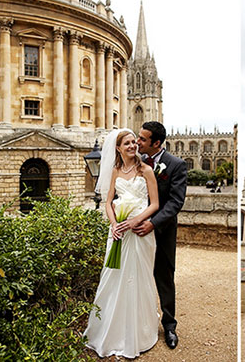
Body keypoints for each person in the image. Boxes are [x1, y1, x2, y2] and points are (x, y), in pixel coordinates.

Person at [84, 129, 160, 359]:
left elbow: (155, 204)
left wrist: (135, 220)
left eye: (133, 142)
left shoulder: (146, 170)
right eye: (126, 143)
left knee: (138, 278)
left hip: (138, 231)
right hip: (117, 232)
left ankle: (138, 333)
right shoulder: (115, 171)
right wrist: (114, 223)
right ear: (117, 148)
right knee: (112, 277)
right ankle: (111, 330)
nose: (132, 146)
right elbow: (108, 203)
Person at [134, 121, 187, 350]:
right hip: (135, 230)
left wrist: (152, 224)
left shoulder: (176, 165)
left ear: (156, 143)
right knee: (135, 275)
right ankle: (139, 322)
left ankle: (169, 326)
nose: (137, 142)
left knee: (164, 277)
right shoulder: (134, 161)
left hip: (162, 230)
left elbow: (176, 202)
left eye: (143, 139)